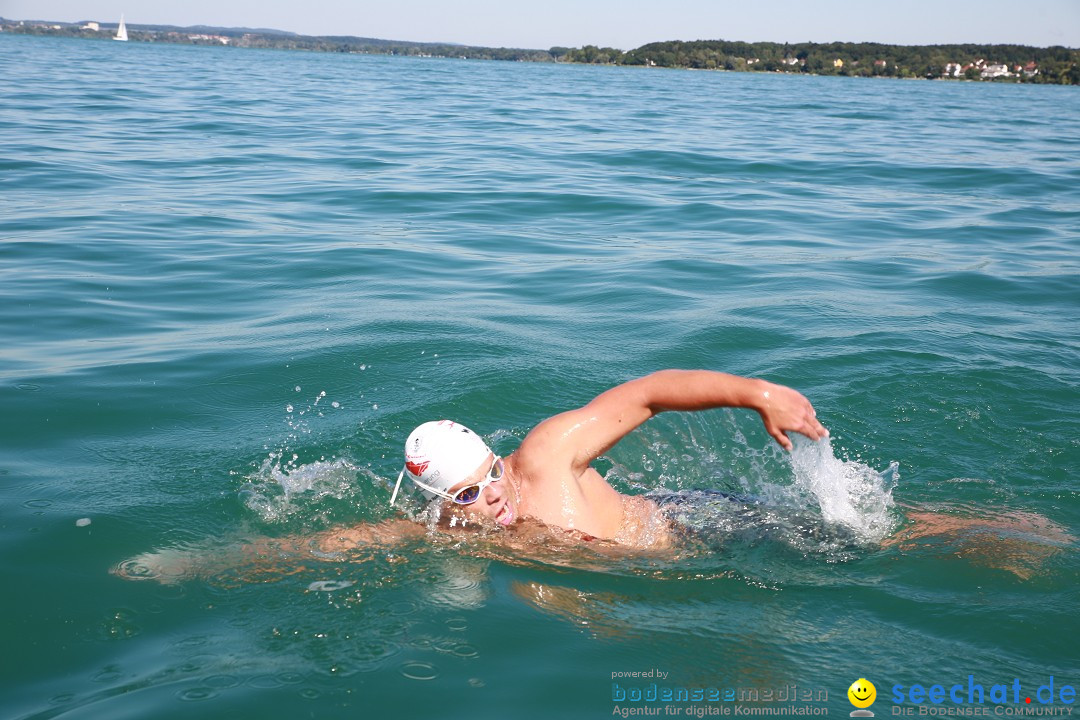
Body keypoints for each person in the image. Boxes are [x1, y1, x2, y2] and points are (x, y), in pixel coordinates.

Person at [389, 369, 828, 547]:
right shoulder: (447, 528)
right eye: (468, 493)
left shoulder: (548, 453)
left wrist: (758, 395)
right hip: (670, 572)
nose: (496, 493)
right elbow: (373, 536)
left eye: (494, 472)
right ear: (442, 502)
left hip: (697, 522)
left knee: (856, 543)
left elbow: (648, 394)